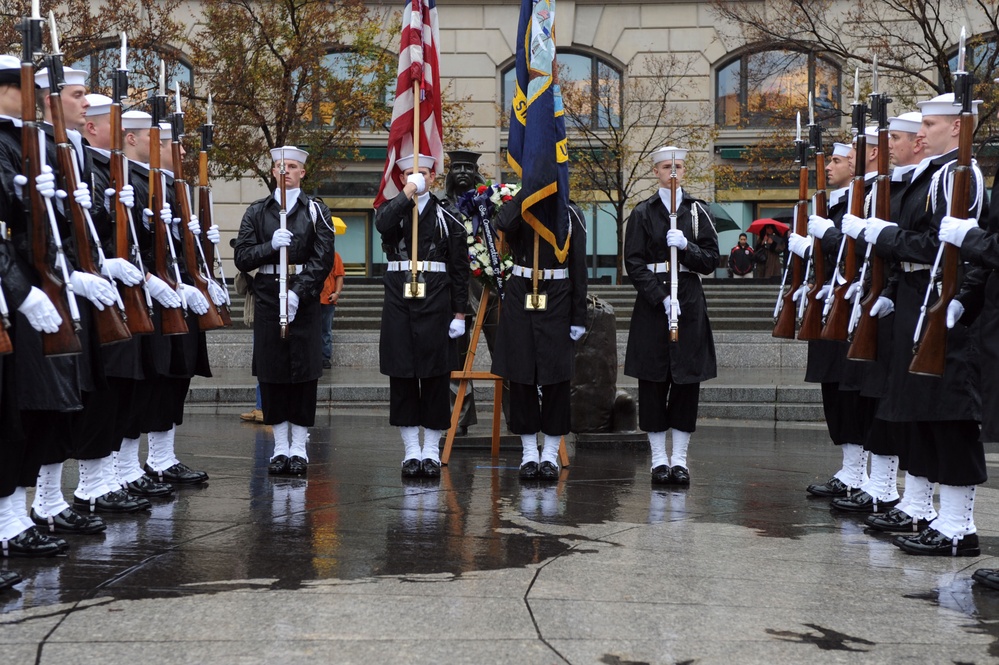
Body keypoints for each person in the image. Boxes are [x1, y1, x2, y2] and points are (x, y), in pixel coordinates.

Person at [864, 93, 986, 556]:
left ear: (957, 128)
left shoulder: (960, 175)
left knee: (950, 415)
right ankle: (929, 511)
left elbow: (948, 246)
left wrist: (887, 237)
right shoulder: (935, 176)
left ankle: (959, 525)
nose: (922, 133)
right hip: (920, 296)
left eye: (930, 125)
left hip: (943, 298)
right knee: (923, 412)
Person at [234, 146, 336, 476]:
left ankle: (299, 447)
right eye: (280, 166)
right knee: (273, 371)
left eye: (292, 166)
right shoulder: (257, 211)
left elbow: (323, 258)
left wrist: (297, 292)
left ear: (302, 173)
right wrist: (269, 247)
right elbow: (242, 257)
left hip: (303, 300)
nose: (285, 171)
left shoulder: (316, 210)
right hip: (267, 297)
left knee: (305, 373)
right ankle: (280, 447)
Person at [623, 146, 718, 486]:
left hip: (688, 301)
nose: (673, 172)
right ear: (656, 172)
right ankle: (658, 459)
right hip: (654, 303)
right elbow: (632, 262)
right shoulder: (643, 212)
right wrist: (660, 297)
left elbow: (710, 260)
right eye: (667, 167)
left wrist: (687, 247)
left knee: (685, 382)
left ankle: (679, 458)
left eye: (678, 166)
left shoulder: (696, 212)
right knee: (651, 381)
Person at [373, 152, 468, 478]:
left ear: (434, 177)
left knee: (435, 375)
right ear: (402, 178)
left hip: (436, 300)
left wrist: (460, 313)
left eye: (426, 173)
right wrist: (406, 196)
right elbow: (381, 224)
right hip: (400, 299)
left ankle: (431, 449)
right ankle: (411, 450)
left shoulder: (448, 216)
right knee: (402, 375)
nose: (421, 178)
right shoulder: (394, 209)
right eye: (413, 174)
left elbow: (459, 269)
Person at [491, 189, 587, 482]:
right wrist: (524, 194)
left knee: (556, 377)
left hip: (557, 294)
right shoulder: (521, 208)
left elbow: (579, 266)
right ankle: (529, 452)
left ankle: (549, 454)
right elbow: (503, 224)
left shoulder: (569, 213)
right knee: (521, 376)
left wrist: (578, 315)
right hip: (521, 292)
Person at [444, 149, 488, 435]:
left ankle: (513, 419)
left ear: (475, 173)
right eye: (456, 167)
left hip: (489, 288)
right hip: (456, 291)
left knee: (506, 353)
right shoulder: (442, 207)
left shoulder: (489, 204)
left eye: (467, 168)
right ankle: (458, 418)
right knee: (457, 358)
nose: (462, 172)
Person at [319, 250, 345, 369]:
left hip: (328, 298)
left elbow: (339, 275)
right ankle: (315, 356)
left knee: (326, 330)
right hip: (313, 299)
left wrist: (337, 293)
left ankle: (324, 358)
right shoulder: (310, 253)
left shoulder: (335, 256)